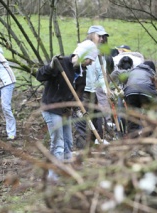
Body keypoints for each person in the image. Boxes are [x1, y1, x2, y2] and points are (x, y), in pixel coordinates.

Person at [36, 40, 98, 181]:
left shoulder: (82, 73)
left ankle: (67, 173)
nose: (91, 63)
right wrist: (51, 67)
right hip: (52, 107)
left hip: (65, 111)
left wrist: (78, 109)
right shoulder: (61, 63)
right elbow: (40, 76)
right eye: (90, 59)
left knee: (68, 144)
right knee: (58, 143)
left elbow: (78, 94)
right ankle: (52, 178)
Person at [74, 25, 111, 149]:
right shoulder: (84, 47)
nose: (101, 39)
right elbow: (75, 65)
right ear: (92, 35)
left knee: (97, 116)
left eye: (103, 37)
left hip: (92, 90)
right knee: (82, 118)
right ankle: (82, 146)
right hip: (82, 89)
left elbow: (101, 74)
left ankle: (96, 141)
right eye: (99, 36)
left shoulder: (100, 54)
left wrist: (106, 89)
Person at [120, 61, 157, 137]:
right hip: (146, 92)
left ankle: (134, 139)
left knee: (133, 117)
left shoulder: (132, 71)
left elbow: (124, 82)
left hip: (130, 92)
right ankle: (149, 137)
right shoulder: (150, 73)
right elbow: (154, 88)